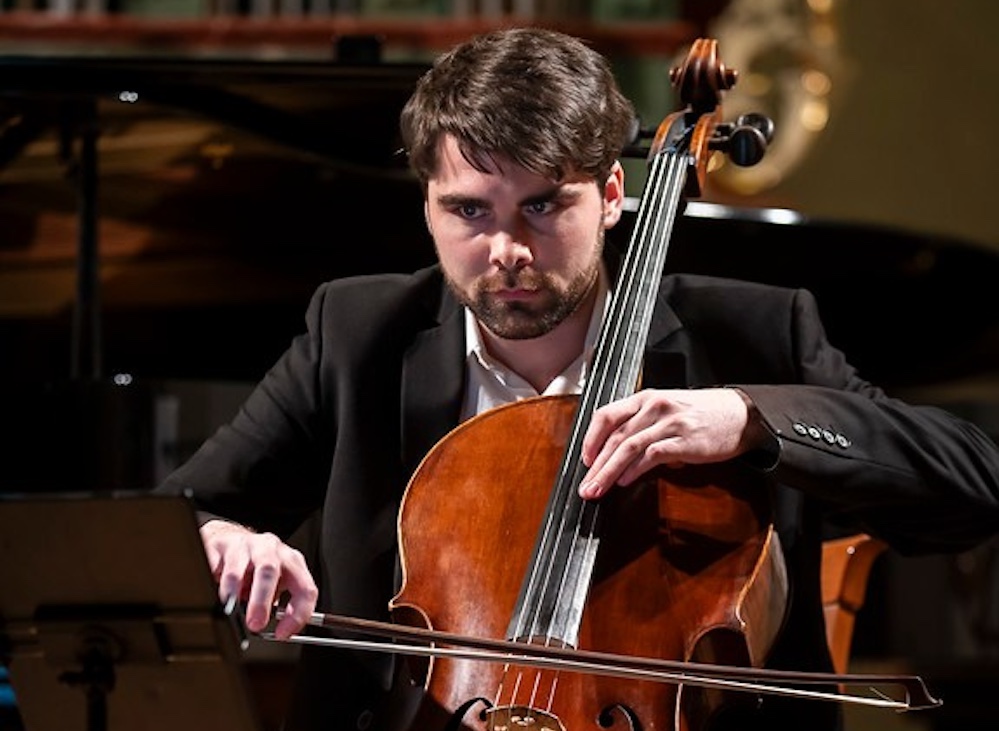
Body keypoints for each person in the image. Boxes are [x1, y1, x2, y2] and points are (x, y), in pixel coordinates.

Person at [156, 27, 999, 731]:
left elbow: (972, 482)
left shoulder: (753, 335)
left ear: (612, 195)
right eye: (469, 210)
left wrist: (750, 418)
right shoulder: (355, 334)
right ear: (427, 204)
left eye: (543, 206)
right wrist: (221, 540)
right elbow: (170, 524)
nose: (507, 251)